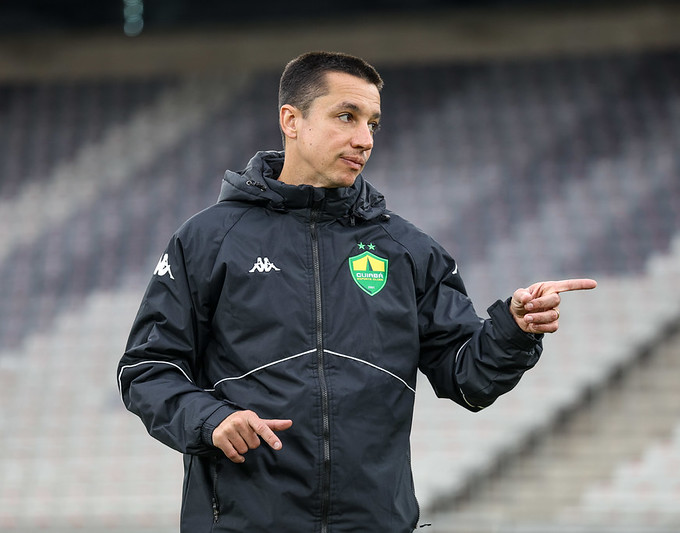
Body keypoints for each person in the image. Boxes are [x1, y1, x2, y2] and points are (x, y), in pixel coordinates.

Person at [118, 51, 596, 532]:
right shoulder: (208, 239)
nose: (364, 139)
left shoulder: (406, 249)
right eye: (346, 116)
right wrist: (210, 420)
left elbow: (469, 379)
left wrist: (513, 329)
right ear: (292, 121)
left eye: (373, 123)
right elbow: (147, 369)